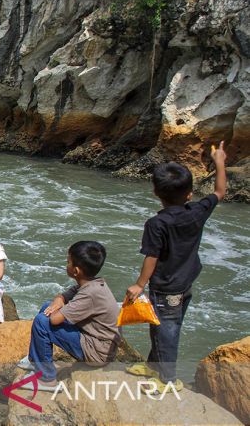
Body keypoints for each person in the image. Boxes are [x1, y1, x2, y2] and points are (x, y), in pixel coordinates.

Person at [125, 141, 227, 393]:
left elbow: (152, 256)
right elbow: (220, 192)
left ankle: (168, 380)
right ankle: (153, 366)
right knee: (161, 326)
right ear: (190, 193)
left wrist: (140, 284)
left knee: (166, 330)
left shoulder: (156, 224)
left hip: (166, 286)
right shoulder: (197, 210)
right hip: (185, 282)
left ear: (155, 192)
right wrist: (220, 162)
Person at [17, 241, 121, 392]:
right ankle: (35, 360)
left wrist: (58, 305)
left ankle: (47, 379)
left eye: (68, 262)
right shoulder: (91, 283)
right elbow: (63, 296)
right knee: (48, 305)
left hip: (97, 352)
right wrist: (59, 300)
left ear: (76, 271)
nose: (66, 265)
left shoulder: (89, 294)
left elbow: (54, 320)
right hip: (94, 340)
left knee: (42, 321)